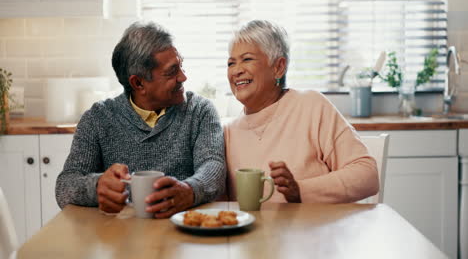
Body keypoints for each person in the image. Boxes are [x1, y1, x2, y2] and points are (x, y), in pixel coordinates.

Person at [55, 21, 226, 218]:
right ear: (138, 83)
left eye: (181, 66)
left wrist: (190, 190)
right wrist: (96, 187)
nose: (183, 77)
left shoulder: (200, 111)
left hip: (185, 236)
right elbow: (65, 186)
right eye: (172, 72)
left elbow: (214, 166)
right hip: (120, 239)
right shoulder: (97, 119)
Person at [224, 20, 379, 203]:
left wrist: (300, 191)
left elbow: (367, 175)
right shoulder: (228, 133)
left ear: (278, 67)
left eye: (247, 59)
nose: (236, 71)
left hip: (315, 229)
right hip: (257, 232)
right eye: (231, 63)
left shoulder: (311, 106)